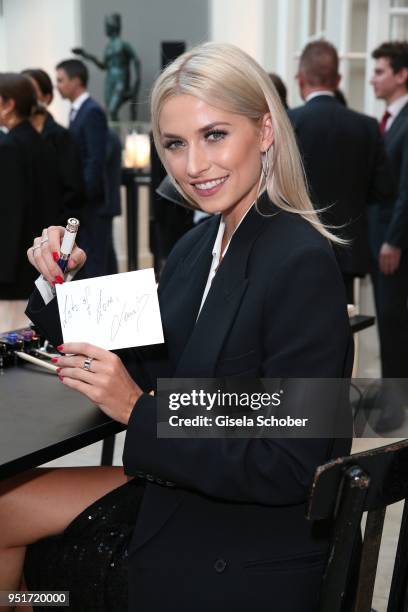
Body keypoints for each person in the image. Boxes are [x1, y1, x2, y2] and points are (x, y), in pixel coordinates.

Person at [0, 43, 353, 612]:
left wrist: (140, 411)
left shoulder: (299, 261)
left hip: (249, 536)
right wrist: (58, 283)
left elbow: (292, 464)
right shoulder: (198, 244)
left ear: (265, 131)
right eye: (175, 144)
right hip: (189, 483)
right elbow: (143, 349)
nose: (193, 166)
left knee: (43, 577)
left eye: (214, 135)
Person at [289, 40, 394, 303]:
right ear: (338, 80)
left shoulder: (288, 123)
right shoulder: (367, 127)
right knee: (342, 325)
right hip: (348, 249)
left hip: (295, 247)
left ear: (301, 78)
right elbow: (382, 190)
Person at [0, 73, 60, 332]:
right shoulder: (38, 140)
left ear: (8, 104)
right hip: (36, 262)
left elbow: (8, 215)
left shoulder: (9, 146)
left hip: (12, 271)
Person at [369, 41, 408, 431]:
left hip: (394, 243)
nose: (372, 78)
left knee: (394, 324)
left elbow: (407, 190)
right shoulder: (390, 119)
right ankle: (391, 394)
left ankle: (395, 408)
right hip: (383, 237)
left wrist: (393, 239)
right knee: (389, 322)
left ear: (402, 74)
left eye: (380, 71)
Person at [55, 58, 109, 277]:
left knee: (94, 257)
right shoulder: (77, 111)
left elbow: (94, 159)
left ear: (76, 81)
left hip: (91, 202)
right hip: (83, 201)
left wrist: (83, 194)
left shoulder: (92, 111)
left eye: (60, 80)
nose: (57, 85)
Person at [21, 68, 85, 225]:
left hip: (54, 226)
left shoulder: (60, 136)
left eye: (31, 91)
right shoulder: (15, 137)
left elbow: (73, 189)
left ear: (46, 97)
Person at [72, 12, 141, 121]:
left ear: (112, 26)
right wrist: (86, 55)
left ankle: (116, 136)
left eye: (107, 26)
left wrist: (137, 82)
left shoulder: (123, 45)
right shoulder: (108, 47)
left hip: (120, 80)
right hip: (110, 80)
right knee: (109, 112)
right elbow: (103, 66)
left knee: (113, 110)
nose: (105, 29)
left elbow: (136, 61)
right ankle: (115, 136)